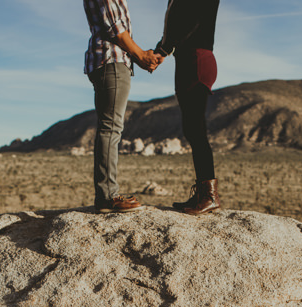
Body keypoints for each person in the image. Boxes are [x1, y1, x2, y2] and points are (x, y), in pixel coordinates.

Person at [83, 0, 162, 213]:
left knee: (109, 127)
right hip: (112, 61)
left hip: (105, 61)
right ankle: (108, 196)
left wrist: (142, 57)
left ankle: (106, 194)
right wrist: (141, 55)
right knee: (111, 127)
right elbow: (115, 27)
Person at [155, 0, 221, 215]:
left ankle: (209, 196)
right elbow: (178, 26)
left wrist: (163, 49)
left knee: (196, 129)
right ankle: (203, 193)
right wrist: (161, 48)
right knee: (192, 130)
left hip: (196, 59)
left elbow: (189, 22)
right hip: (187, 60)